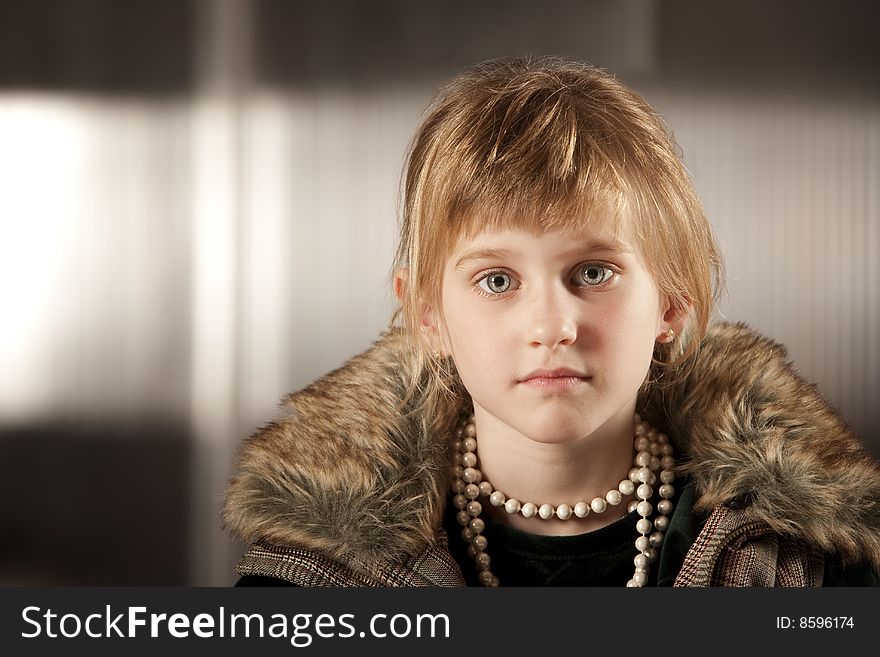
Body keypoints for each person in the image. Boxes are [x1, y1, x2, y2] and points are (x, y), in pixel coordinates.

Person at [222, 56, 880, 586]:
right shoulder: (312, 580)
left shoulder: (809, 567)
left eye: (593, 272)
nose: (551, 324)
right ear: (428, 316)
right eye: (497, 280)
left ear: (673, 301)